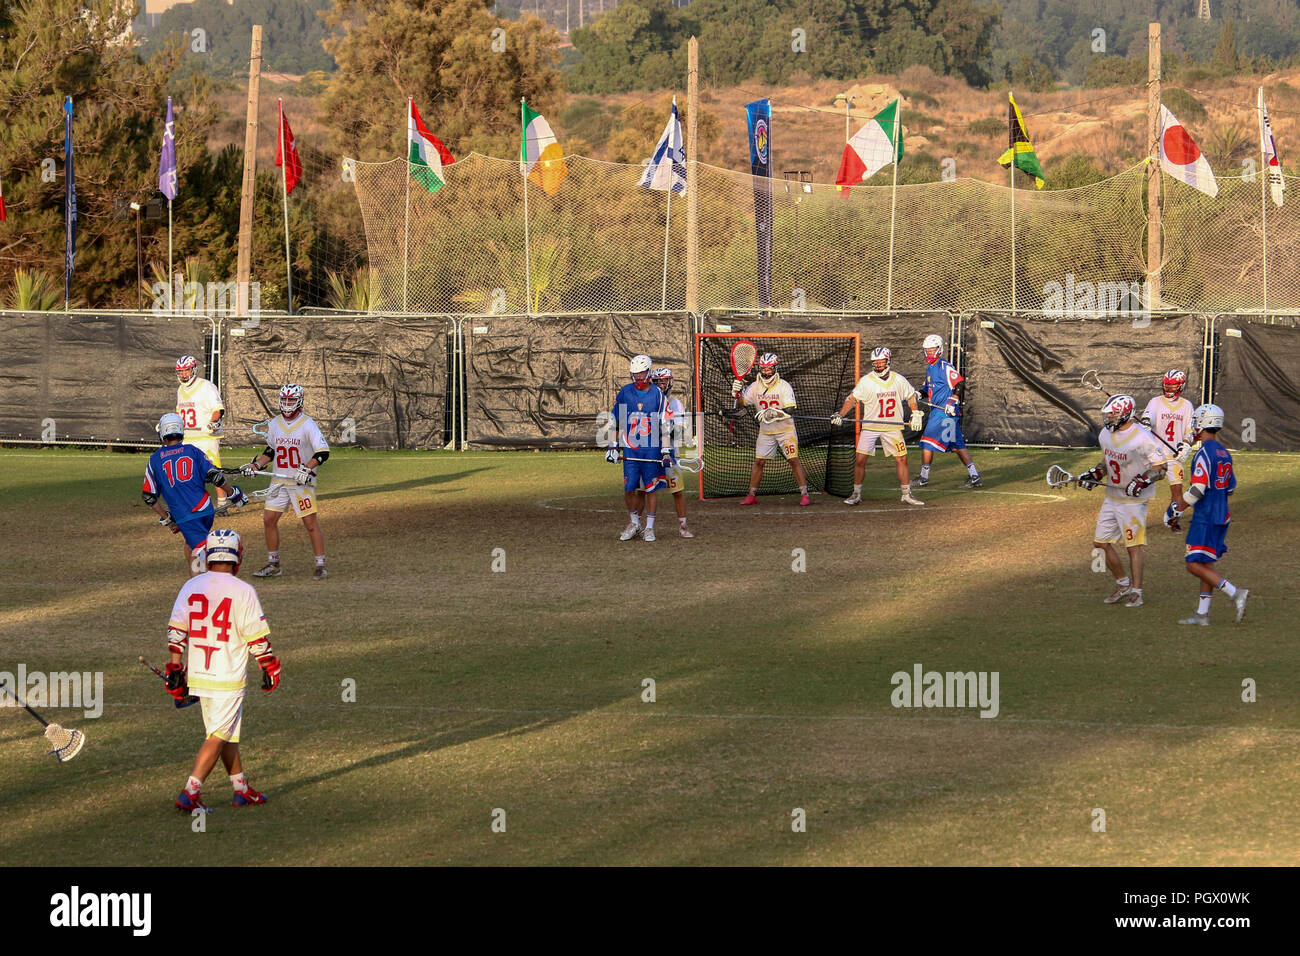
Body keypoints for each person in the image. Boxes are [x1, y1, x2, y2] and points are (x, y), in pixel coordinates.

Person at [165, 529, 280, 812]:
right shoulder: (244, 591)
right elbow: (256, 638)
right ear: (237, 555)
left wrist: (176, 667)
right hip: (227, 676)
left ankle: (241, 789)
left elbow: (176, 632)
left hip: (199, 674)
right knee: (217, 735)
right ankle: (190, 792)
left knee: (227, 732)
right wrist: (269, 666)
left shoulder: (190, 586)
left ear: (208, 556)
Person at [1076, 394, 1167, 608]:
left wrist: (1143, 481)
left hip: (1134, 502)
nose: (1109, 417)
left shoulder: (1143, 438)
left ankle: (1137, 592)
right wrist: (1095, 474)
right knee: (1100, 543)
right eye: (1108, 414)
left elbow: (1161, 468)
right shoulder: (1105, 434)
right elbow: (1107, 462)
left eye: (1113, 413)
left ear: (1126, 414)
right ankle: (1123, 584)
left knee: (1132, 546)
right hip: (1112, 497)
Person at [1162, 404, 1249, 626]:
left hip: (1206, 517)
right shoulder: (1224, 452)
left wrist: (1176, 509)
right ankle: (1202, 615)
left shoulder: (1203, 453)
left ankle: (1234, 592)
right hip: (1222, 515)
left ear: (1201, 424)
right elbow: (1230, 488)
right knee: (1205, 565)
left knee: (1193, 564)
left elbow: (1197, 490)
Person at [239, 384, 330, 579]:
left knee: (310, 523)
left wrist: (307, 468)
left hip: (300, 482)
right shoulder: (275, 423)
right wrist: (256, 466)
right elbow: (271, 451)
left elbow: (323, 452)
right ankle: (274, 564)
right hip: (279, 480)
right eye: (285, 400)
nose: (287, 404)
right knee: (268, 520)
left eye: (291, 400)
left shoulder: (307, 424)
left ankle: (321, 565)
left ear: (299, 401)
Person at [143, 412, 247, 575]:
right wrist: (233, 493)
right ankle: (196, 583)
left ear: (163, 432)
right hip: (205, 509)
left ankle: (203, 589)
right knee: (190, 546)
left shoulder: (155, 459)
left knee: (202, 553)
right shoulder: (192, 450)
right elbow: (215, 476)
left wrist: (167, 517)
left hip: (186, 515)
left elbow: (149, 496)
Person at [833, 347, 924, 506]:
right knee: (860, 460)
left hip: (892, 428)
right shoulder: (866, 381)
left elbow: (910, 396)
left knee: (902, 459)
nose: (879, 365)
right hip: (871, 427)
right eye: (876, 362)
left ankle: (906, 494)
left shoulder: (898, 379)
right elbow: (852, 399)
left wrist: (915, 412)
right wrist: (840, 414)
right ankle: (856, 494)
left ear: (888, 361)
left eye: (882, 362)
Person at [607, 354, 672, 542]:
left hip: (651, 447)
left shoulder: (658, 395)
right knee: (629, 488)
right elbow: (614, 419)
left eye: (642, 373)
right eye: (635, 373)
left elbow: (665, 425)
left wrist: (665, 451)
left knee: (651, 488)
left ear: (649, 372)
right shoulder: (626, 392)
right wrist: (612, 445)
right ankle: (635, 523)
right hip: (630, 447)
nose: (638, 377)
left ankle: (650, 528)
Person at [734, 353, 811, 507]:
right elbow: (741, 404)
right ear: (760, 368)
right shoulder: (755, 386)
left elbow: (790, 409)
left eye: (770, 369)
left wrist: (773, 412)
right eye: (764, 368)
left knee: (793, 460)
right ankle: (751, 495)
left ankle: (804, 494)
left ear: (775, 368)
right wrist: (736, 394)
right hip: (766, 432)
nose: (767, 372)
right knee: (759, 462)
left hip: (785, 430)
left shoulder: (784, 385)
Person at [916, 334, 981, 489]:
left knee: (926, 442)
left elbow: (959, 382)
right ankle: (975, 476)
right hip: (938, 412)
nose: (930, 353)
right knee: (957, 445)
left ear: (939, 350)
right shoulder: (930, 368)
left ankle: (923, 478)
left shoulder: (944, 366)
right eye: (927, 350)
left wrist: (953, 400)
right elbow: (928, 388)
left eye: (932, 350)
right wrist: (919, 393)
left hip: (944, 413)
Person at [175, 355, 229, 510]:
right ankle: (196, 502)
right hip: (187, 437)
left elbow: (217, 409)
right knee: (189, 472)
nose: (184, 374)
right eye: (181, 371)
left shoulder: (206, 386)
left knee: (213, 470)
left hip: (206, 437)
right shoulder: (180, 389)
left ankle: (222, 503)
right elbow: (179, 412)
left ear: (193, 369)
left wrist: (214, 421)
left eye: (186, 370)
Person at [1140, 369, 1195, 508]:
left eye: (1173, 385)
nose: (1169, 387)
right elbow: (1147, 417)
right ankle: (1135, 517)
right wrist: (1145, 423)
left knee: (1177, 491)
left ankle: (1173, 520)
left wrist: (1186, 445)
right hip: (1154, 454)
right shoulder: (1155, 401)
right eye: (1167, 384)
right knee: (1141, 487)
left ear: (1181, 385)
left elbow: (1190, 431)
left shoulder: (1187, 405)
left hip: (1173, 455)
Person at [652, 367, 694, 537]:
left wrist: (664, 425)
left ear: (670, 382)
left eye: (663, 381)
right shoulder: (649, 401)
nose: (660, 385)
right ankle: (641, 526)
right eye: (657, 382)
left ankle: (683, 526)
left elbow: (678, 430)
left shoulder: (676, 404)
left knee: (677, 491)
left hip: (670, 452)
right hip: (651, 453)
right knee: (645, 491)